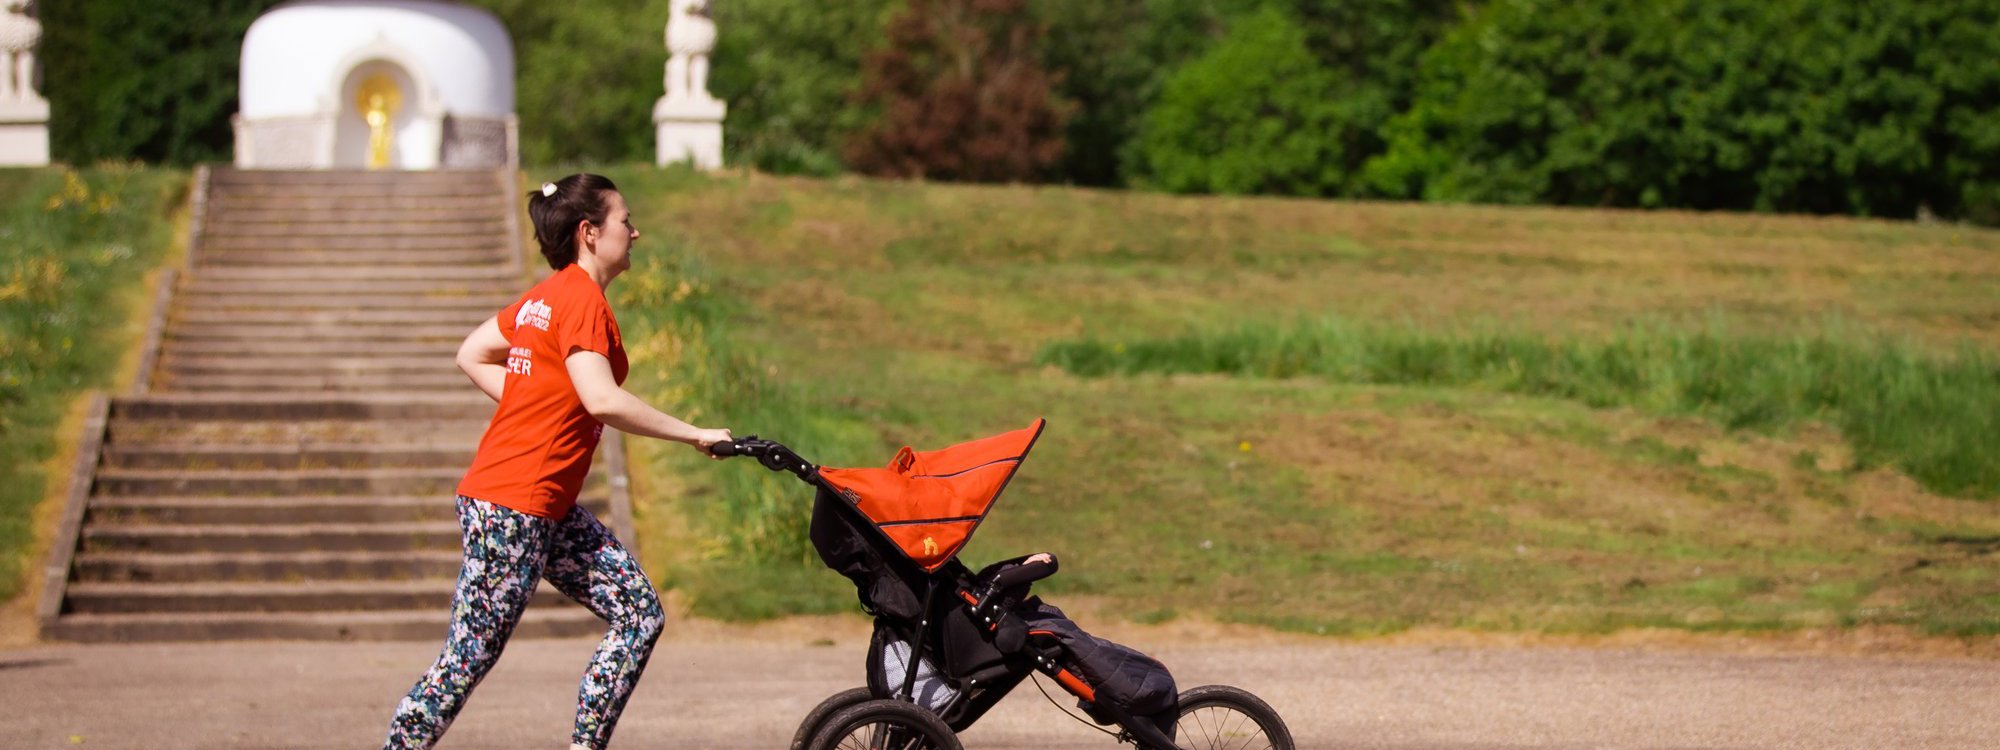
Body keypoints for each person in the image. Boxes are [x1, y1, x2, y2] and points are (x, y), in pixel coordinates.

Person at [384, 173, 731, 750]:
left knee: (638, 612)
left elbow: (472, 353)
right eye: (626, 221)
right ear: (590, 233)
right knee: (466, 661)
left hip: (541, 506)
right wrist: (694, 434)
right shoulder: (582, 302)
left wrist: (539, 399)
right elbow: (601, 399)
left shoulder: (547, 296)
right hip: (511, 507)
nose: (636, 231)